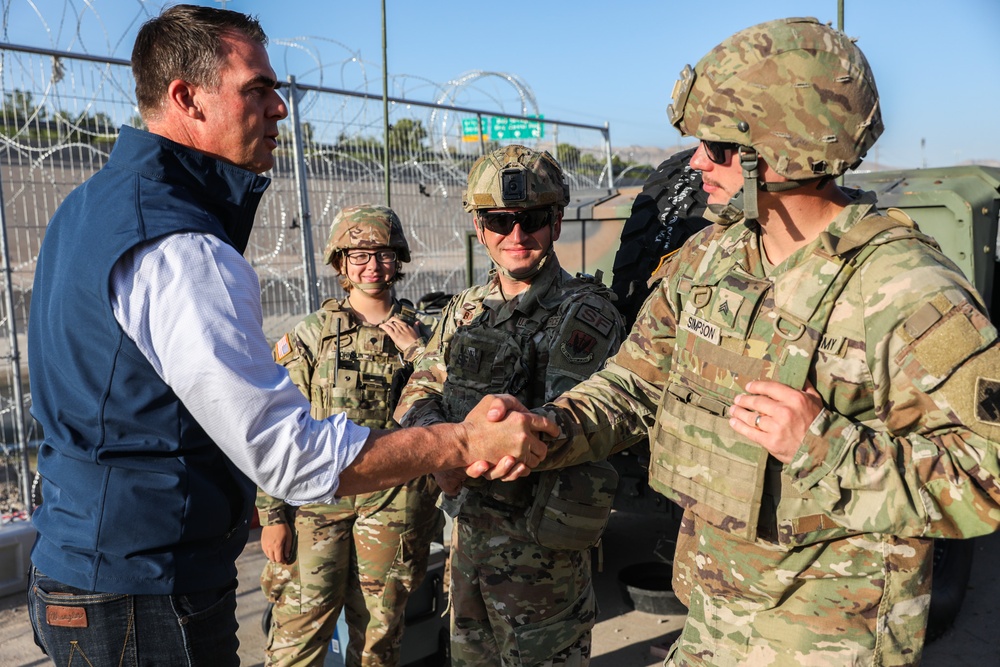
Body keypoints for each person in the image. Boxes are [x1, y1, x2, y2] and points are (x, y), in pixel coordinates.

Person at [25, 6, 552, 667]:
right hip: (144, 589)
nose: (280, 109)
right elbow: (292, 460)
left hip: (87, 563)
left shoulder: (91, 207)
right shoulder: (180, 245)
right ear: (187, 98)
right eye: (257, 89)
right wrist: (463, 439)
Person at [509, 17, 1000, 666]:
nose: (695, 163)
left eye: (717, 146)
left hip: (829, 646)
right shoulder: (709, 259)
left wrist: (823, 446)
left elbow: (988, 473)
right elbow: (636, 384)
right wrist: (539, 428)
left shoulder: (907, 288)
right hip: (712, 627)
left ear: (784, 150)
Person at [395, 144, 626, 667]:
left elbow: (554, 430)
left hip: (540, 556)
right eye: (499, 221)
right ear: (479, 228)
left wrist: (455, 460)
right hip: (470, 538)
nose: (516, 236)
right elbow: (419, 388)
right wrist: (440, 452)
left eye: (533, 219)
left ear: (557, 222)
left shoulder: (584, 314)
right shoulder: (466, 308)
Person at [258, 204, 441, 667]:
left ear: (398, 259)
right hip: (320, 498)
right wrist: (272, 514)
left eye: (382, 254)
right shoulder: (312, 335)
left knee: (378, 639)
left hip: (393, 502)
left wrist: (417, 352)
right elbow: (274, 424)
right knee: (298, 634)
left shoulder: (423, 333)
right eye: (359, 255)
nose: (372, 266)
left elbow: (445, 406)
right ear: (341, 263)